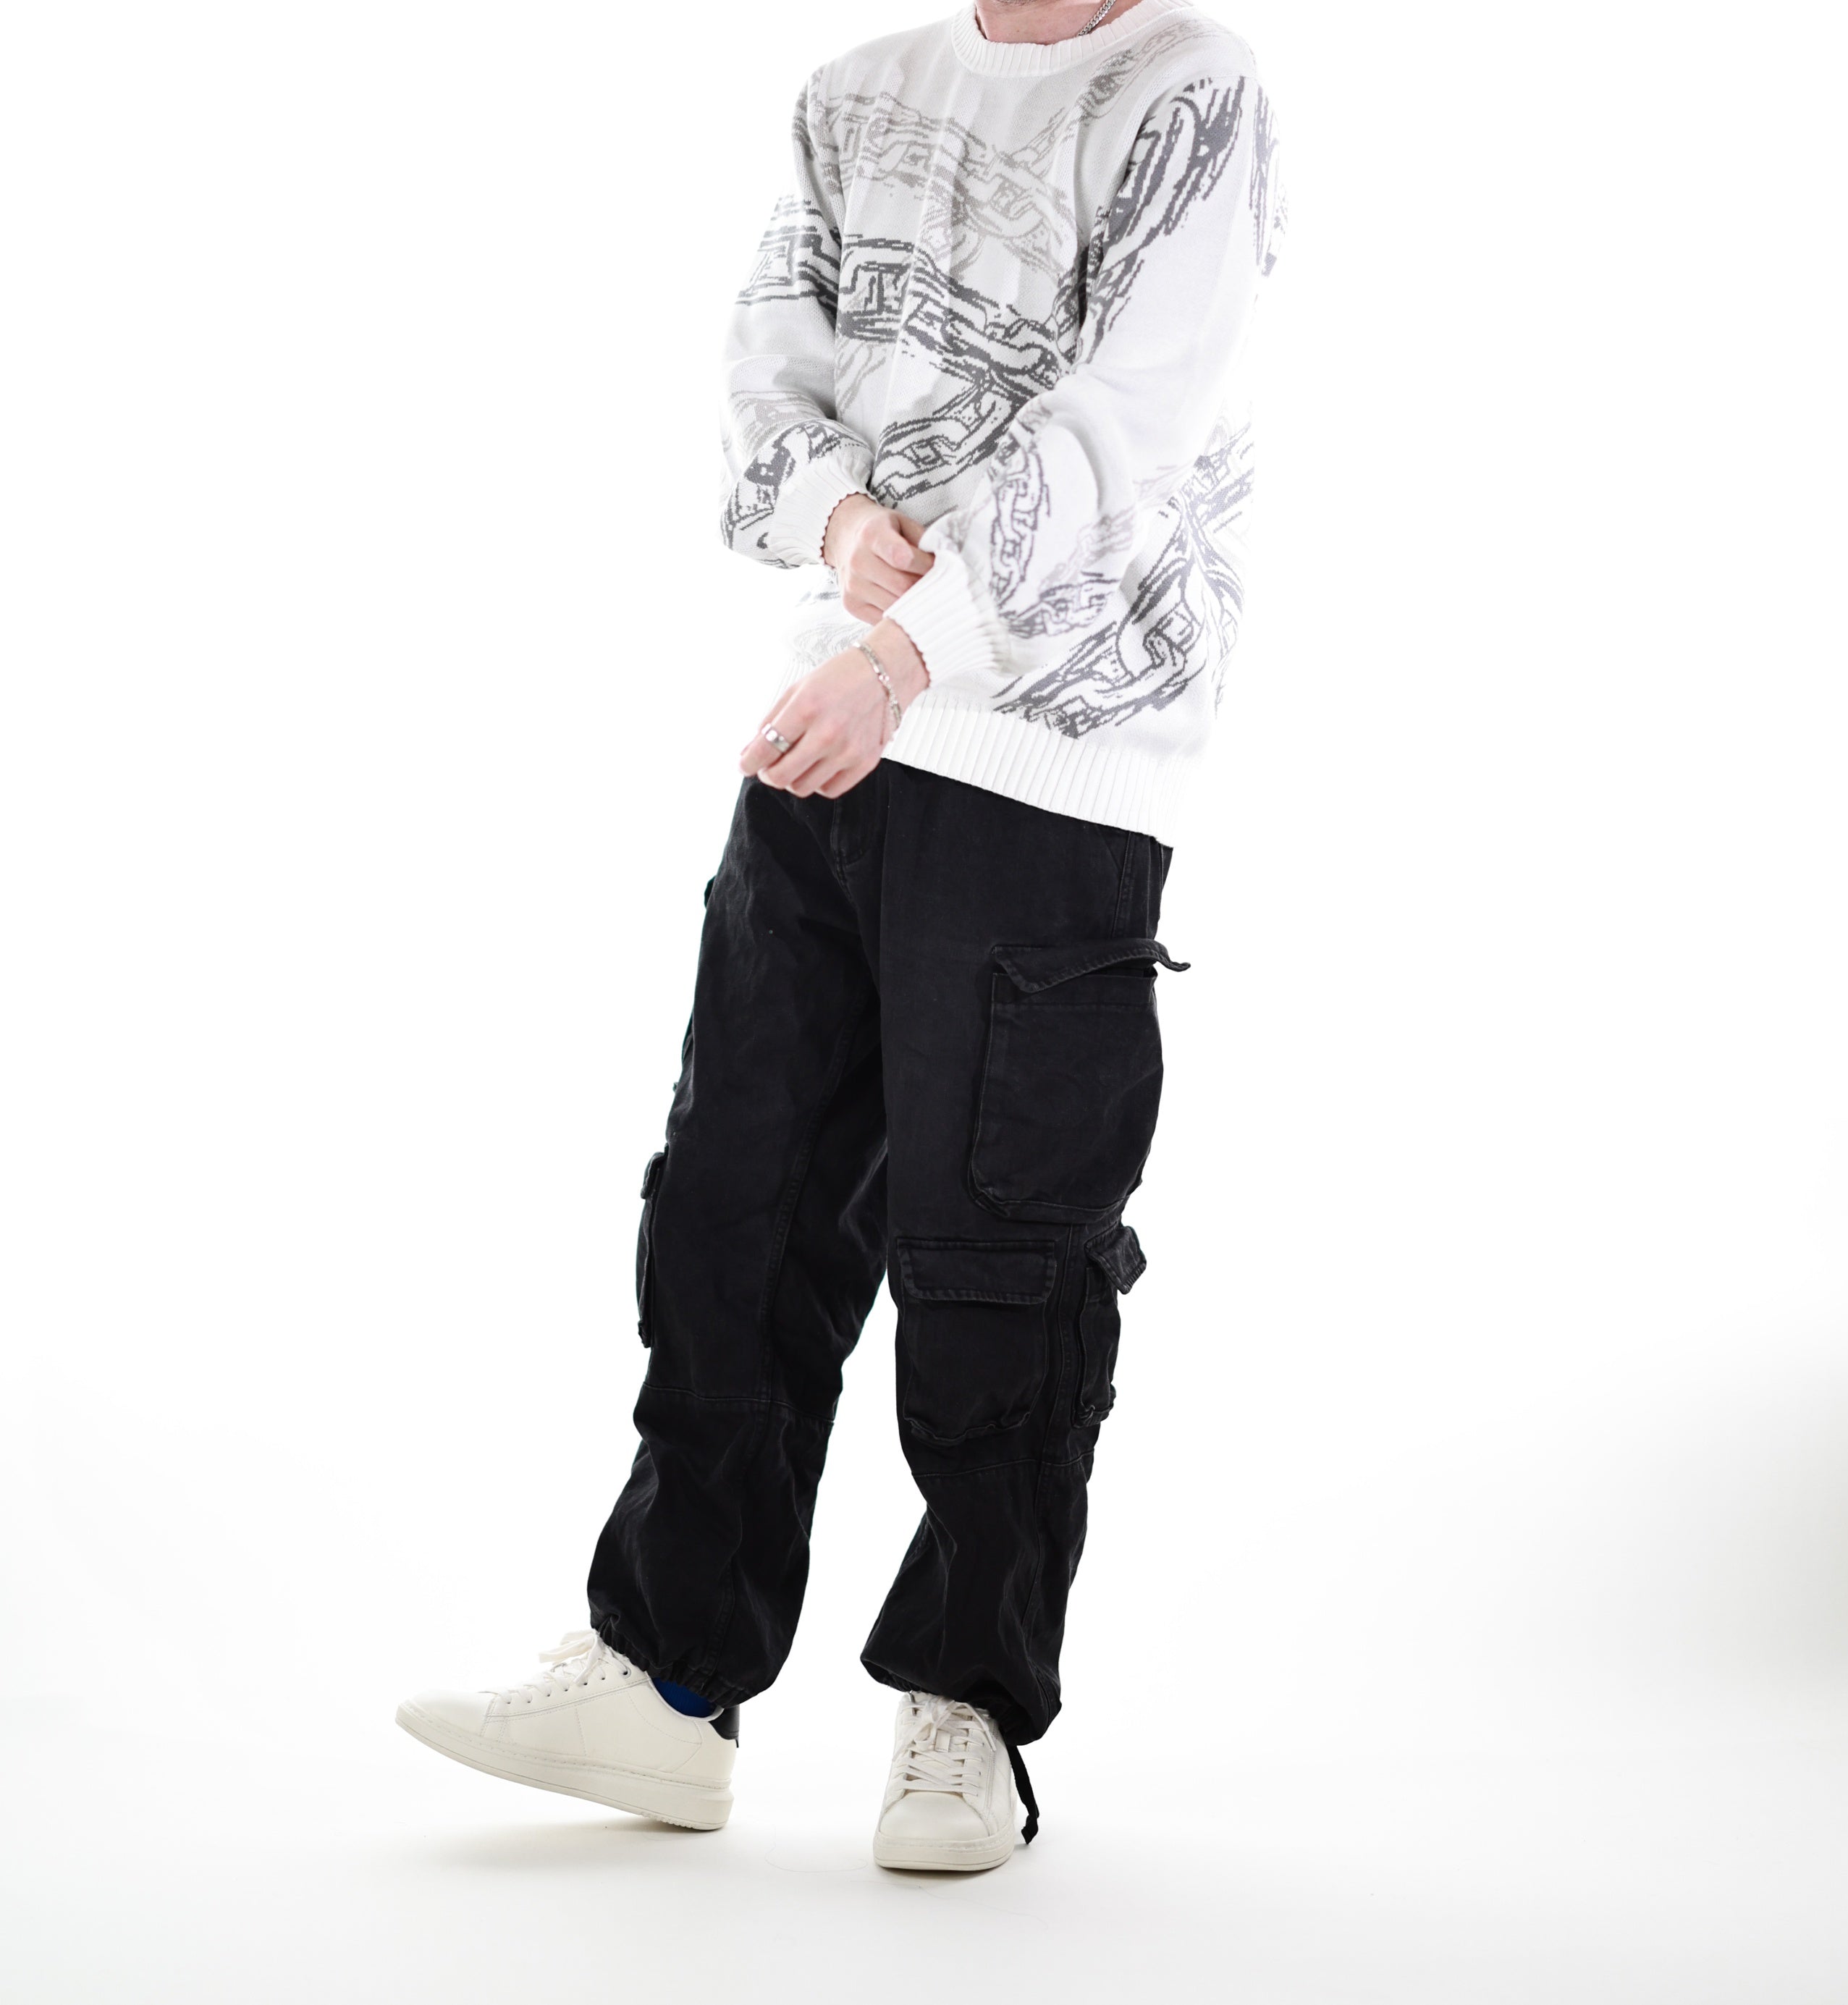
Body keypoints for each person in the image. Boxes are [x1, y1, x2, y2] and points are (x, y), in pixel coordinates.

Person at [397, 0, 1284, 1874]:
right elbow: (768, 359)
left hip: (1047, 758)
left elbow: (1129, 427)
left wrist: (904, 653)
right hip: (829, 735)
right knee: (735, 1203)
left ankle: (966, 1710)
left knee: (1001, 1258)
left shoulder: (1188, 88)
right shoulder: (855, 90)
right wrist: (834, 516)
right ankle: (667, 1682)